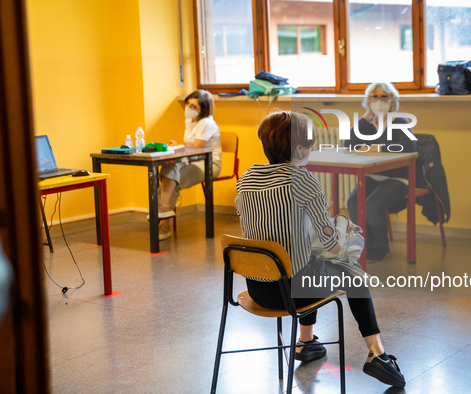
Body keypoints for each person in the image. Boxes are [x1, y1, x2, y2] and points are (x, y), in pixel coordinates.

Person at [234, 111, 405, 388]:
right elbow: (332, 246)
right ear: (299, 148)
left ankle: (306, 343)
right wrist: (343, 231)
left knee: (311, 261)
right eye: (309, 145)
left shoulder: (246, 178)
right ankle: (378, 354)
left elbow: (259, 230)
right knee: (352, 272)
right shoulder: (303, 180)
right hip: (292, 293)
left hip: (259, 289)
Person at [345, 82, 417, 261]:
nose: (378, 101)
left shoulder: (400, 121)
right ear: (368, 101)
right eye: (374, 97)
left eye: (383, 97)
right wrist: (363, 119)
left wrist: (378, 148)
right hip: (373, 175)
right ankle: (365, 245)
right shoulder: (367, 123)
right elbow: (349, 144)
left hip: (398, 178)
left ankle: (380, 246)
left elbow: (409, 145)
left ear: (392, 101)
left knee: (371, 206)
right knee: (353, 202)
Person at [157, 90, 222, 240]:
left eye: (194, 107)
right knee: (169, 165)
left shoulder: (207, 123)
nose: (189, 108)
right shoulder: (189, 121)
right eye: (188, 104)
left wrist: (180, 147)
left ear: (203, 109)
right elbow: (190, 148)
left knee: (173, 180)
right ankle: (164, 210)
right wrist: (178, 146)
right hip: (191, 159)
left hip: (209, 163)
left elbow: (198, 149)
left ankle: (163, 222)